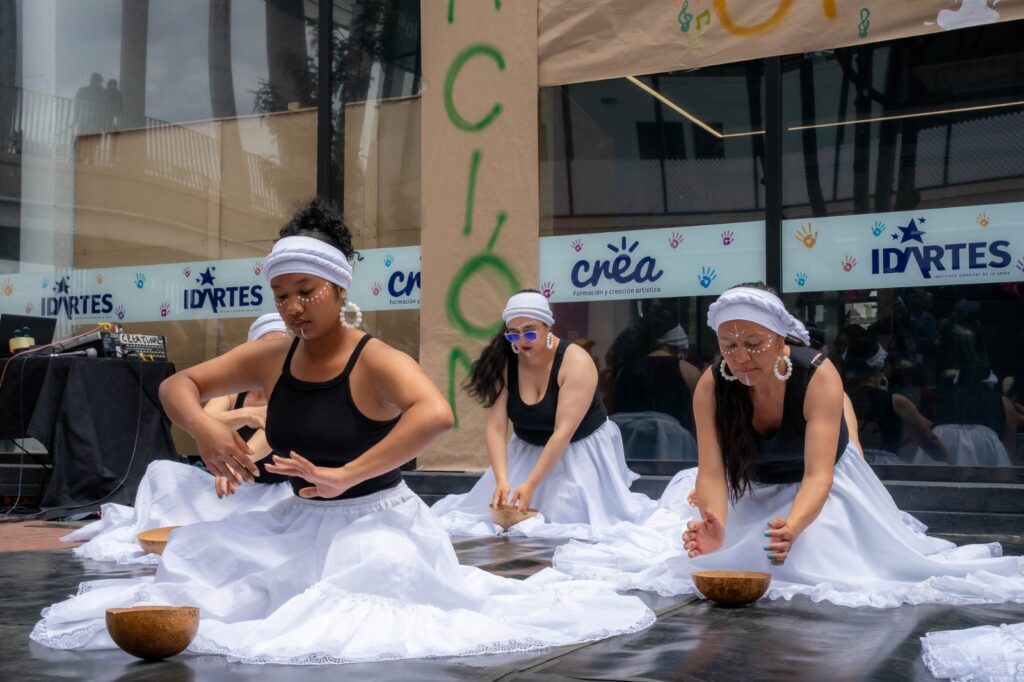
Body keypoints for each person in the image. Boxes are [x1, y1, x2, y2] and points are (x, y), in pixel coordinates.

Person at [33, 199, 653, 664]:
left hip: (376, 521)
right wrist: (206, 431)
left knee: (357, 605)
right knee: (200, 562)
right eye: (282, 296)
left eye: (305, 292)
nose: (292, 308)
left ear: (336, 289)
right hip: (298, 520)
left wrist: (345, 476)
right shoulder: (274, 353)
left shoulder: (374, 359)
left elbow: (435, 414)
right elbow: (177, 385)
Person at [552, 283, 1023, 607]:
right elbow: (711, 470)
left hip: (822, 491)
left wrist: (793, 527)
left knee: (834, 570)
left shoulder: (818, 374)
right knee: (728, 558)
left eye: (753, 343)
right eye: (728, 345)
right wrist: (715, 522)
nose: (740, 357)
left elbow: (820, 474)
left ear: (781, 340)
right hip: (752, 486)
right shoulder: (712, 384)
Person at [60, 313, 295, 564]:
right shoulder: (235, 390)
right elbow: (204, 420)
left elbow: (263, 438)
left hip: (267, 490)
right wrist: (244, 414)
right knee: (160, 472)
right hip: (228, 485)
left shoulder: (289, 391)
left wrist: (233, 465)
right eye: (264, 348)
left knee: (243, 532)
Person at [431, 290, 657, 538]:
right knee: (493, 518)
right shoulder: (504, 363)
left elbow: (563, 431)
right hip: (526, 449)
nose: (522, 340)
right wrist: (502, 479)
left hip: (578, 450)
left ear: (548, 326)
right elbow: (496, 428)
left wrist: (530, 484)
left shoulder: (576, 362)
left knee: (567, 520)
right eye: (513, 334)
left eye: (529, 332)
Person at [842, 336, 951, 464]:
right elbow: (930, 441)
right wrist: (951, 463)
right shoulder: (896, 401)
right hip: (886, 467)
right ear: (880, 366)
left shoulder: (838, 399)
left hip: (847, 465)